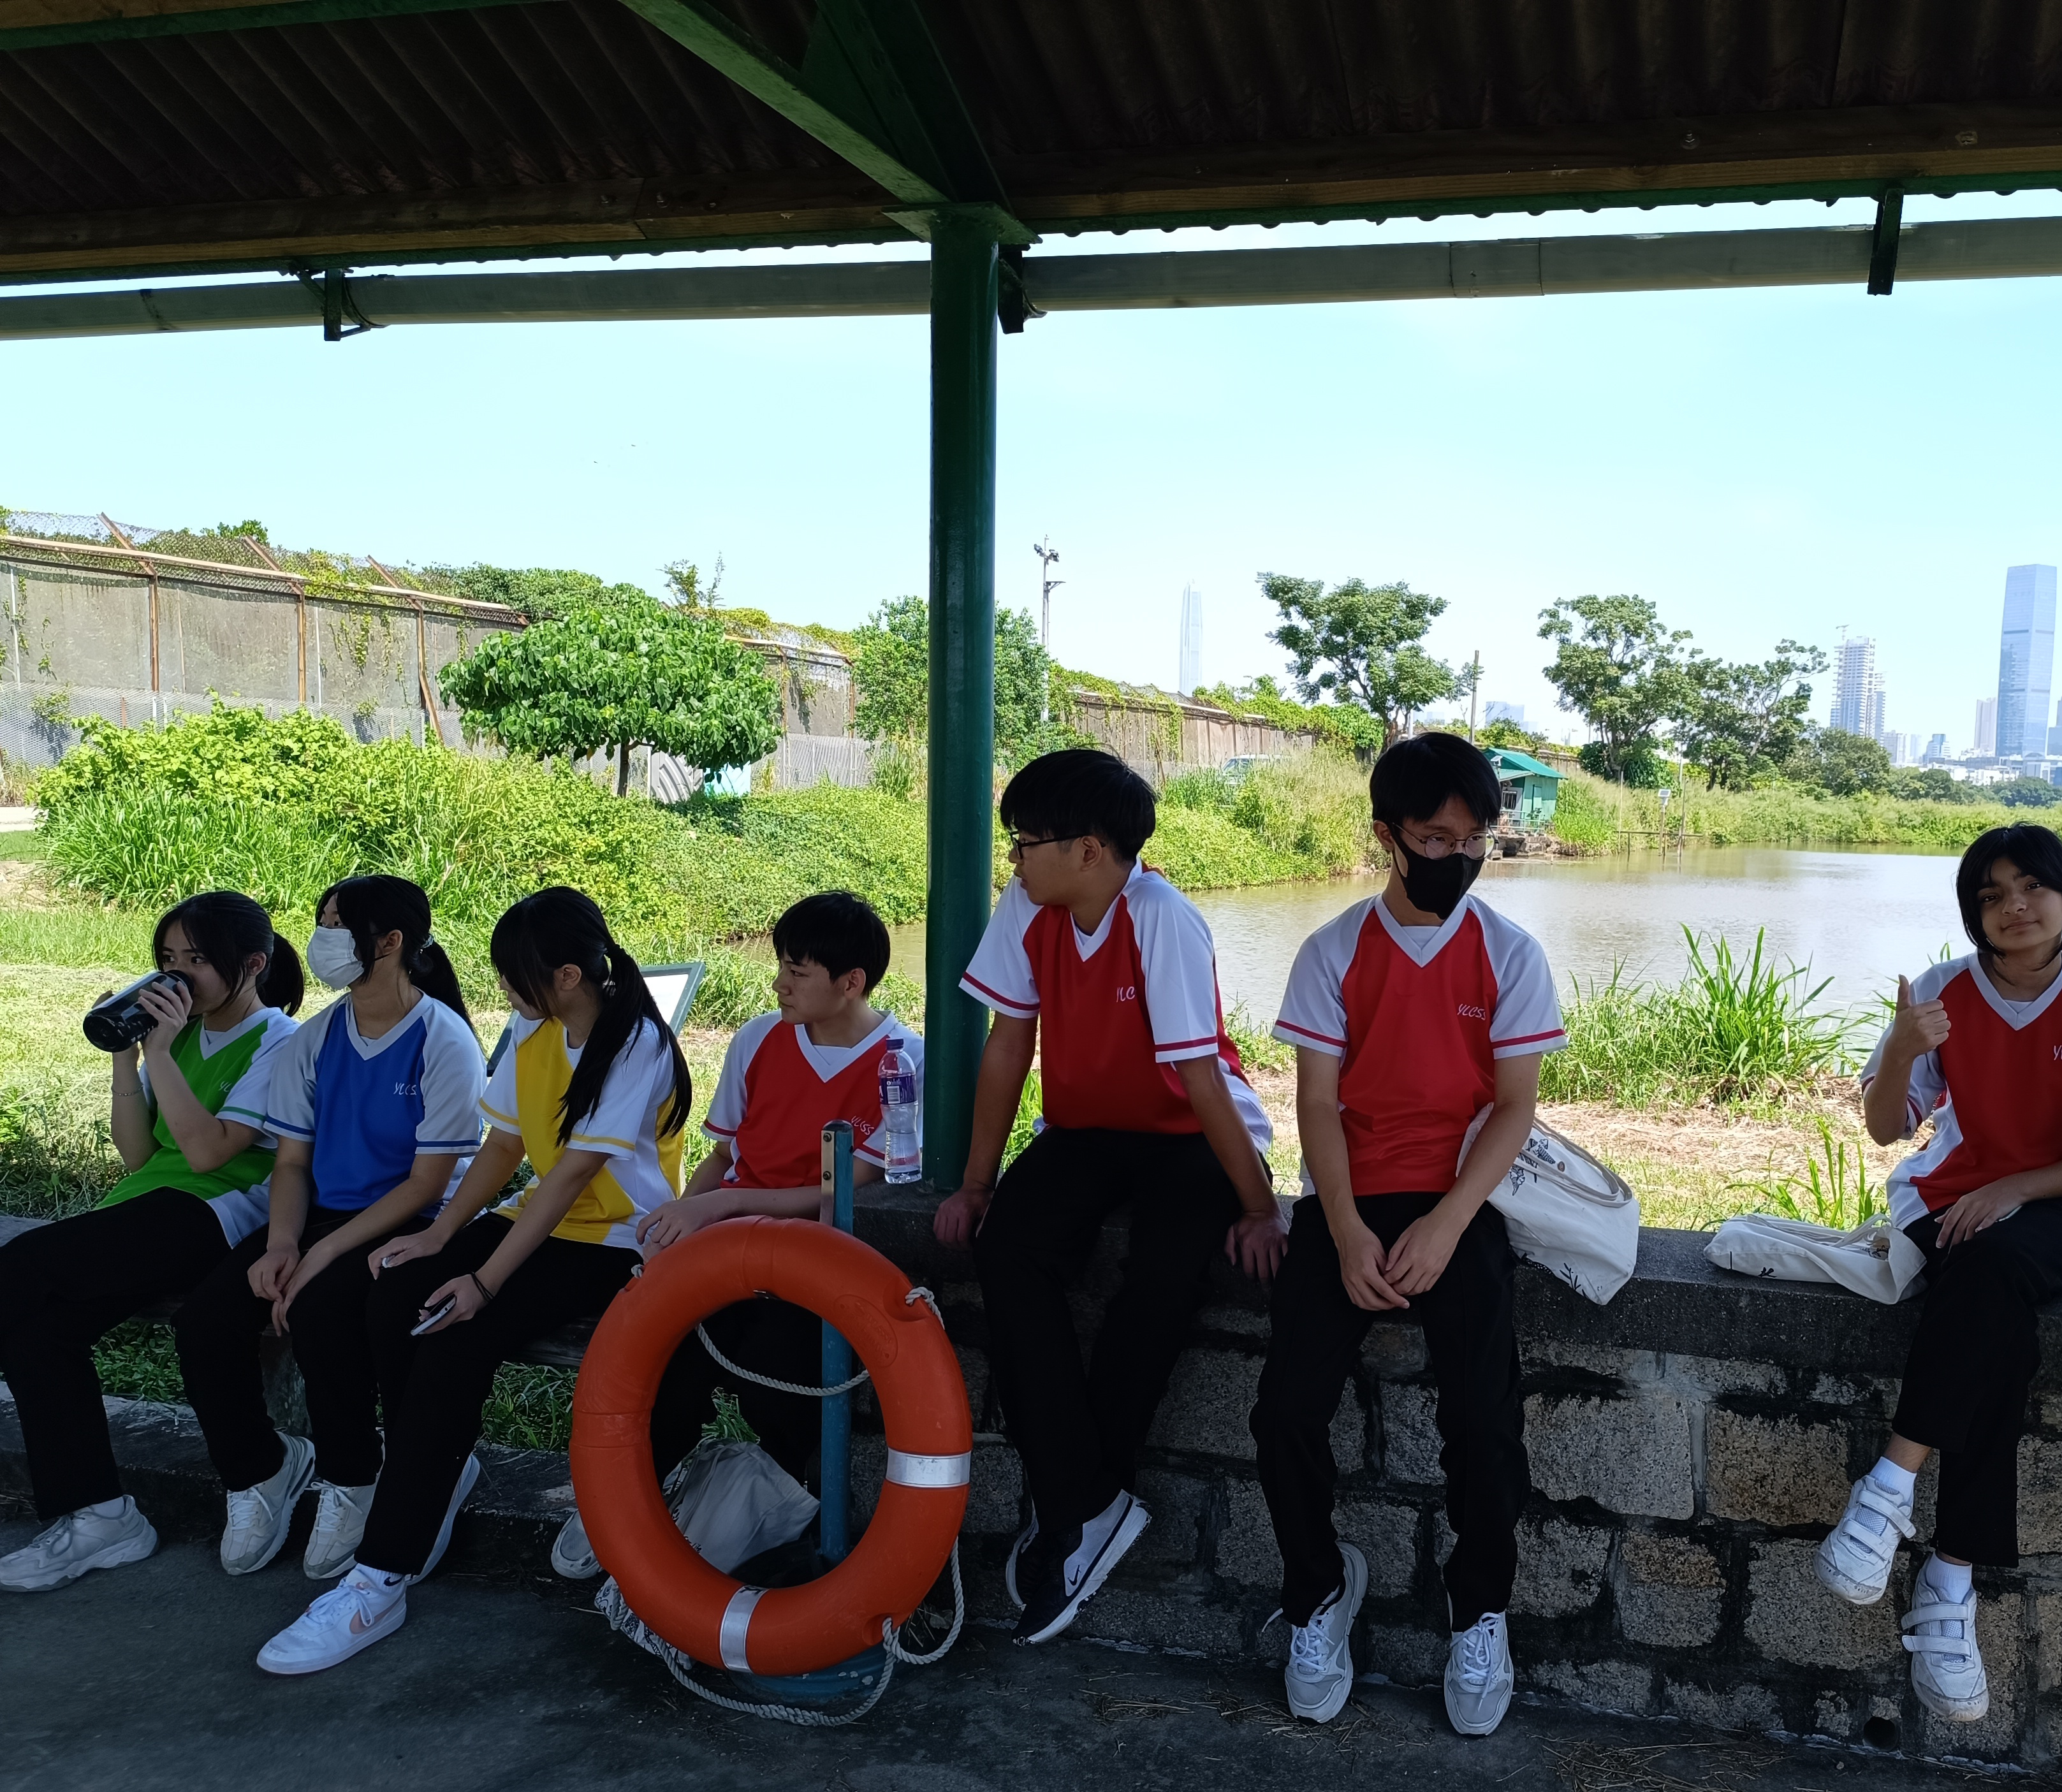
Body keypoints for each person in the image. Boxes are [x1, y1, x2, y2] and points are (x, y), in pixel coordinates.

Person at [252, 886, 691, 1674]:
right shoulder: (536, 1026)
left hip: (615, 1242)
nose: (502, 989)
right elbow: (505, 1147)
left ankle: (379, 1579)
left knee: (454, 1335)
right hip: (539, 1222)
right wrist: (437, 1236)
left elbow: (571, 1178)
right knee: (395, 1291)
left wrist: (482, 1283)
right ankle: (433, 1470)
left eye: (513, 975)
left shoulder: (635, 1043)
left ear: (566, 976)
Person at [1248, 731, 1567, 1737]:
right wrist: (1345, 1232)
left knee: (1484, 1420)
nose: (1457, 858)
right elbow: (1317, 1104)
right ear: (1387, 835)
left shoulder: (1509, 954)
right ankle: (1317, 1592)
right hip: (1349, 1197)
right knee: (1285, 1411)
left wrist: (1446, 1223)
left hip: (1460, 1203)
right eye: (1434, 839)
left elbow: (1514, 1107)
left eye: (1475, 841)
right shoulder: (1333, 951)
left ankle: (1479, 1610)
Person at [1817, 824, 2062, 1724]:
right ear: (1973, 914)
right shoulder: (1939, 993)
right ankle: (1948, 1581)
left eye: (2032, 887)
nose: (2015, 907)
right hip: (1946, 1194)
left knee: (1991, 1273)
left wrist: (2014, 1189)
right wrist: (1902, 1048)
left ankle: (1888, 1487)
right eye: (1991, 895)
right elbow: (1887, 1129)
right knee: (1994, 1321)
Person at [934, 747, 1284, 1647]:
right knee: (1009, 1247)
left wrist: (1257, 1207)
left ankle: (1079, 1509)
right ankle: (1084, 1502)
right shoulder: (1029, 907)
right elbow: (1008, 1042)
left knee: (1164, 1271)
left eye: (1027, 842)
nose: (1016, 859)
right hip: (1088, 1127)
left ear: (1089, 850)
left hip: (1189, 1129)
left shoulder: (1161, 917)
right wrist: (976, 1184)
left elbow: (1200, 1078)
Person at [548, 890, 925, 1579]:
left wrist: (724, 1207)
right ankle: (621, 1500)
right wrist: (679, 1222)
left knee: (777, 1373)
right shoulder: (757, 1039)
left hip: (818, 1262)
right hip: (727, 1248)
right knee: (662, 1356)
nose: (779, 983)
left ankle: (777, 1517)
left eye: (797, 972)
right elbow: (723, 1155)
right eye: (780, 966)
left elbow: (851, 1188)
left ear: (852, 983)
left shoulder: (903, 1061)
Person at [167, 875, 485, 1582]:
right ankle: (259, 1471)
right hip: (323, 1215)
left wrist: (322, 1254)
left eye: (338, 925)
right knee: (207, 1319)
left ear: (391, 942)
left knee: (320, 1308)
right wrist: (285, 1244)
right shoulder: (314, 1039)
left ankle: (354, 1477)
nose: (322, 939)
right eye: (323, 922)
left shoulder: (443, 1039)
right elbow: (291, 1164)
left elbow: (426, 1183)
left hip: (415, 1219)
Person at [0, 892, 302, 1594]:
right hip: (147, 1207)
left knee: (17, 1270)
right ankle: (101, 1516)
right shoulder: (182, 1036)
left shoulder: (280, 1042)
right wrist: (126, 1058)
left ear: (252, 965)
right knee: (40, 1332)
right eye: (168, 958)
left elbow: (207, 1155)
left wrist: (160, 1050)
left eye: (197, 960)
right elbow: (138, 1154)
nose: (177, 975)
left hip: (215, 1215)